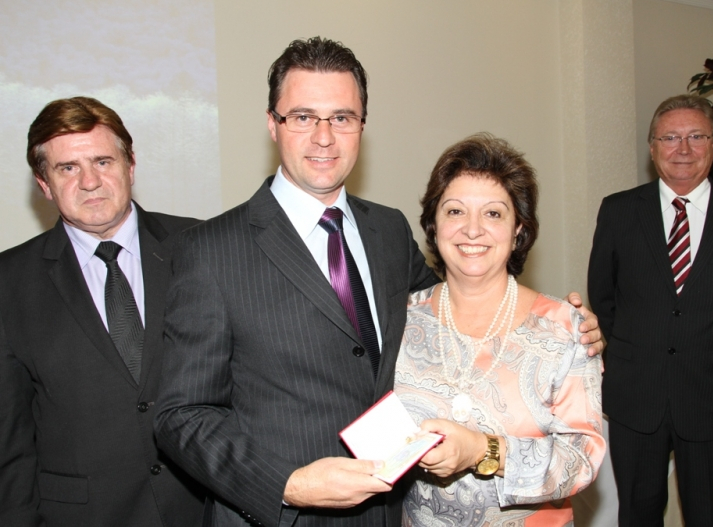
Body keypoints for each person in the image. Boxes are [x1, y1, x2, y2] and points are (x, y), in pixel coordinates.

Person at [154, 37, 603, 527]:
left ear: (362, 126)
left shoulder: (387, 230)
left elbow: (458, 307)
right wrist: (288, 484)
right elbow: (182, 415)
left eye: (342, 117)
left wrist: (569, 327)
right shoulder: (211, 250)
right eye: (303, 116)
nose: (324, 137)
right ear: (272, 124)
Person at [0, 97, 205, 526]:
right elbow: (10, 443)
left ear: (130, 166)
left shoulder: (202, 246)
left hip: (205, 509)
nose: (90, 182)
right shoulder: (9, 282)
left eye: (103, 161)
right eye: (67, 168)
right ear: (44, 184)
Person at [394, 133, 606, 526]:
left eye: (493, 214)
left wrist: (483, 450)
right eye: (455, 211)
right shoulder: (400, 320)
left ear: (518, 229)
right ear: (434, 225)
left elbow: (582, 459)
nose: (472, 229)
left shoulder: (564, 329)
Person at [588, 94, 713, 527]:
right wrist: (639, 347)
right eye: (670, 138)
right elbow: (604, 294)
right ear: (652, 148)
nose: (683, 149)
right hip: (637, 395)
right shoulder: (619, 210)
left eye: (696, 137)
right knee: (637, 514)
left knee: (710, 516)